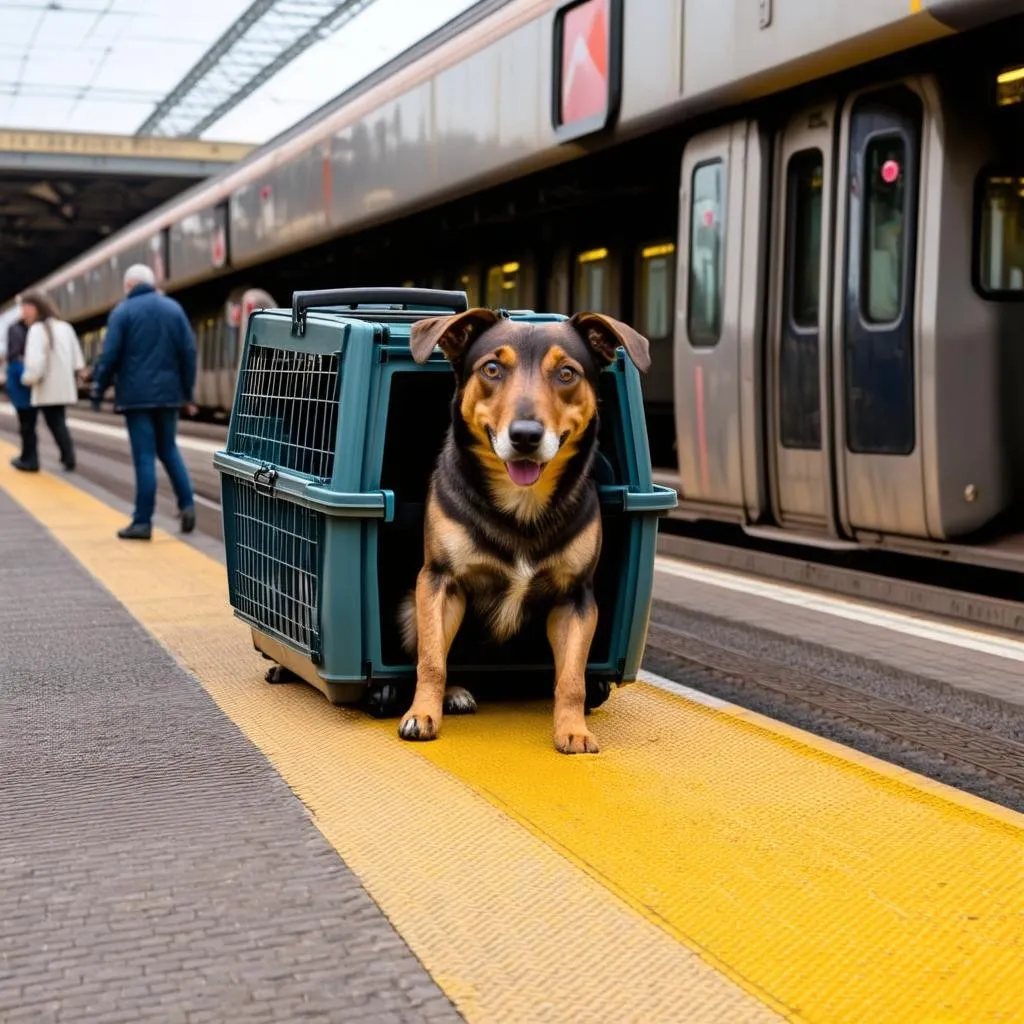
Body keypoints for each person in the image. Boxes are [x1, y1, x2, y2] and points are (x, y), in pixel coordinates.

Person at [91, 264, 197, 541]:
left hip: (136, 397)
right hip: (169, 395)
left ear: (129, 286)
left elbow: (109, 355)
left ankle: (142, 522)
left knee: (144, 457)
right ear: (152, 283)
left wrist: (99, 389)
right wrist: (187, 393)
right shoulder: (173, 309)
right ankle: (187, 505)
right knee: (169, 449)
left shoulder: (123, 312)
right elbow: (188, 352)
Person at [14, 291, 84, 473]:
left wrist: (27, 379)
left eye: (25, 309)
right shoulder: (66, 327)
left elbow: (35, 363)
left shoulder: (37, 330)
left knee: (33, 423)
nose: (23, 314)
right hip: (63, 386)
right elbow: (78, 359)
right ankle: (68, 456)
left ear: (36, 308)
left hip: (45, 386)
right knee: (58, 421)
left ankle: (37, 458)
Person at [4, 298, 36, 469]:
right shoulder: (30, 328)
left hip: (22, 377)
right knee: (28, 423)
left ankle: (30, 459)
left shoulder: (17, 329)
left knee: (26, 423)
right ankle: (29, 456)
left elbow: (14, 354)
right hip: (25, 377)